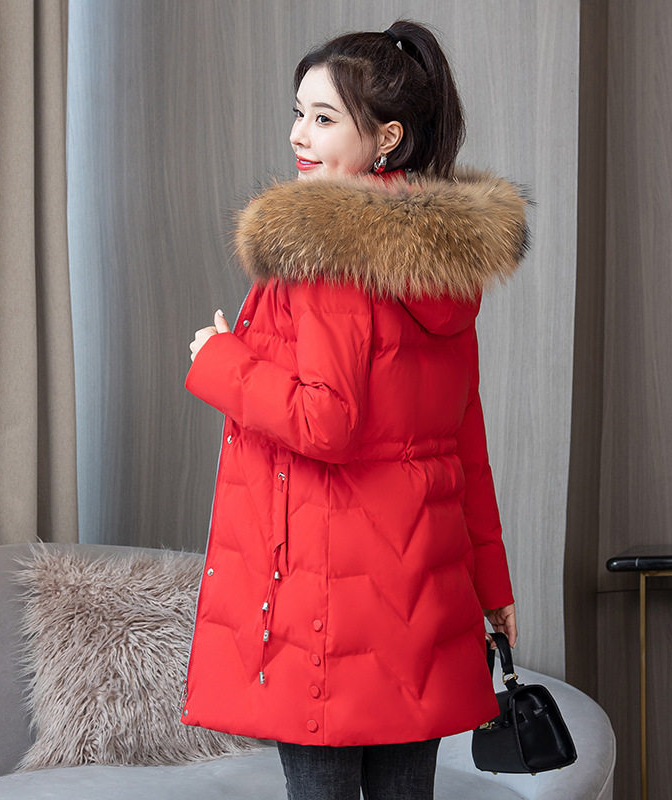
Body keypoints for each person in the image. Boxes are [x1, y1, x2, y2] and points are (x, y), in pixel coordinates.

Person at [183, 19, 526, 800]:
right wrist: (492, 586)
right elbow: (465, 440)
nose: (299, 136)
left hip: (326, 609)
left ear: (386, 139)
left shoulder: (325, 249)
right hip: (425, 600)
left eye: (324, 118)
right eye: (298, 113)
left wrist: (219, 359)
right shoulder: (444, 260)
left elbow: (324, 423)